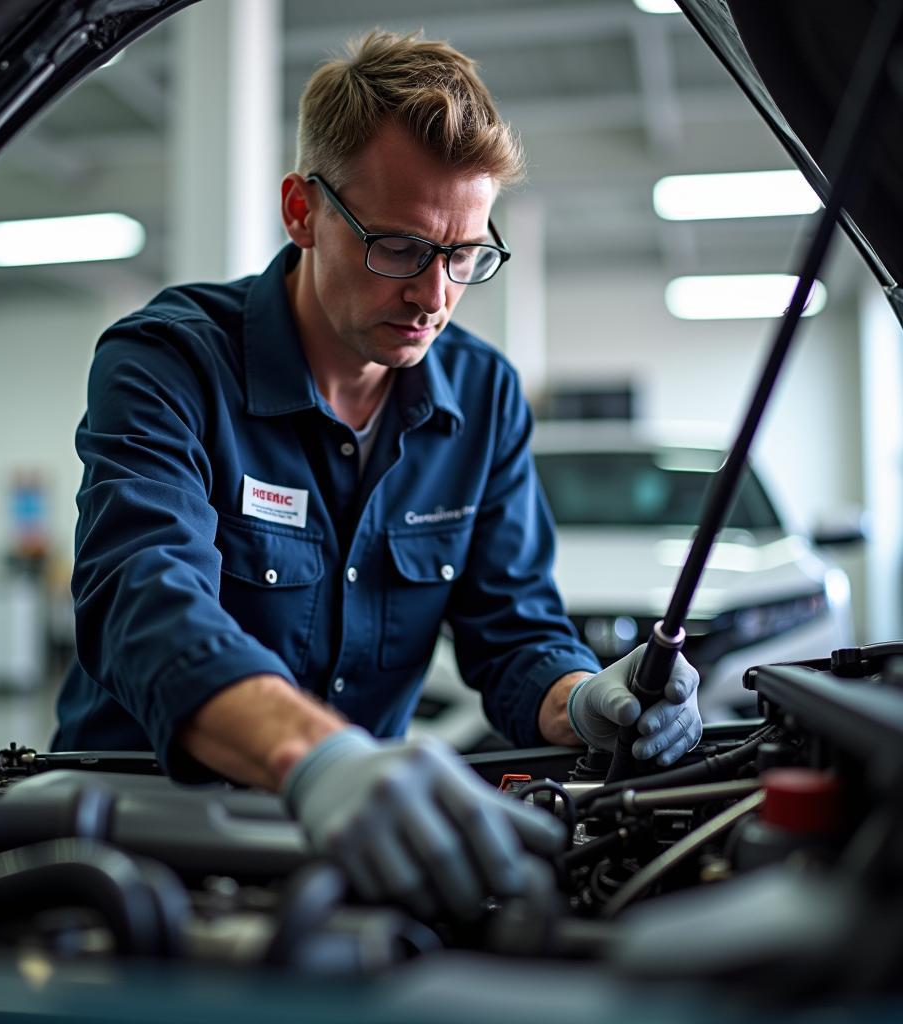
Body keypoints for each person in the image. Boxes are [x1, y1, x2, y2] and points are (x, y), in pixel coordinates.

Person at [52, 30, 702, 919]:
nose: (435, 294)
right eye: (399, 247)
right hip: (140, 842)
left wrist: (584, 699)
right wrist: (315, 757)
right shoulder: (169, 364)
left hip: (367, 846)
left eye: (465, 254)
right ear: (301, 210)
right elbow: (144, 600)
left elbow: (512, 633)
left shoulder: (486, 399)